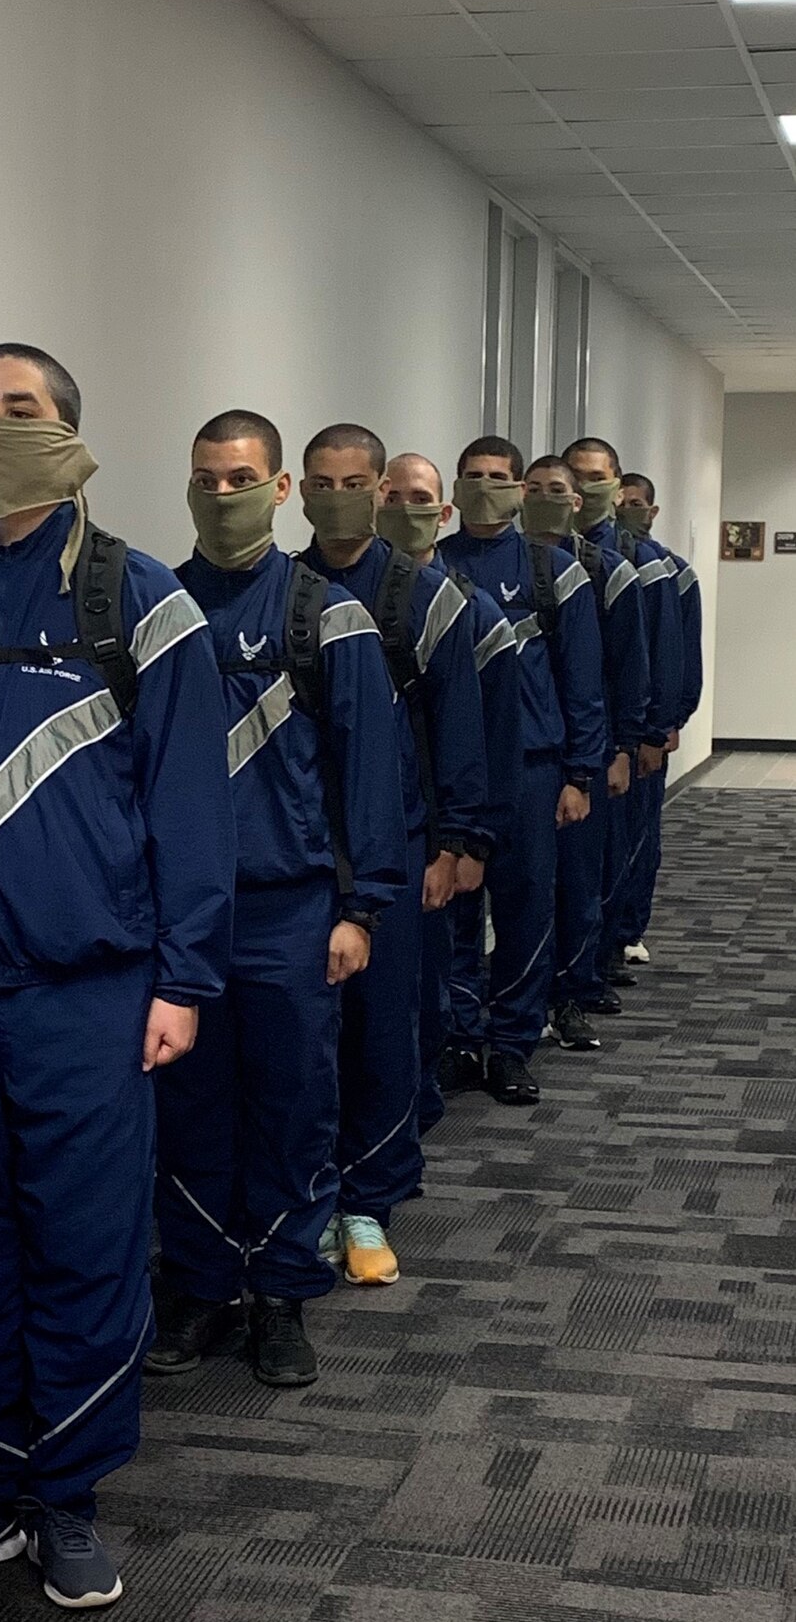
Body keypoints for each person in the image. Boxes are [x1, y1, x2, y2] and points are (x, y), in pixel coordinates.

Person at [0, 344, 234, 1611]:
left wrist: (183, 981)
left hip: (93, 992)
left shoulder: (139, 603)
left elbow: (192, 810)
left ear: (72, 433)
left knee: (87, 1248)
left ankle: (68, 1494)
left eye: (17, 410)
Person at [148, 411, 406, 1384]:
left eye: (242, 477)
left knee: (294, 1104)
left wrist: (361, 907)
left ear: (282, 487)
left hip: (292, 910)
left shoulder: (326, 615)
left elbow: (368, 778)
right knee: (193, 1105)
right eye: (207, 477)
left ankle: (286, 1290)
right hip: (187, 917)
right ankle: (204, 1285)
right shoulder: (160, 608)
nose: (223, 495)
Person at [299, 425, 487, 1281]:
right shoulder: (283, 591)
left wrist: (458, 844)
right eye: (320, 480)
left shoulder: (427, 596)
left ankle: (368, 1200)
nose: (337, 494)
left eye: (354, 481)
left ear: (379, 490)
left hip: (402, 843)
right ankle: (305, 1197)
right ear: (298, 491)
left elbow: (458, 728)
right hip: (298, 850)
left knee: (384, 1030)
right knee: (304, 1039)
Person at [441, 435, 607, 1105]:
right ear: (456, 487)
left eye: (498, 476)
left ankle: (511, 1044)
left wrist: (580, 774)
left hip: (535, 769)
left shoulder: (553, 573)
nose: (485, 485)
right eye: (473, 474)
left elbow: (584, 683)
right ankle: (458, 1041)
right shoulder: (430, 570)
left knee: (525, 910)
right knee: (452, 911)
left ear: (518, 489)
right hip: (454, 771)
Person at [381, 454, 521, 1136]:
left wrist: (470, 837)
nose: (404, 509)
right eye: (392, 495)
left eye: (419, 498)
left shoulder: (469, 605)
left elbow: (486, 732)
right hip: (366, 825)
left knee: (440, 963)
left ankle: (445, 1065)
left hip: (437, 820)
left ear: (442, 511)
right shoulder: (330, 596)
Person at [520, 456, 647, 1053]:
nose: (545, 498)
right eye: (535, 489)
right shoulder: (471, 563)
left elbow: (615, 671)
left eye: (559, 490)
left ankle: (572, 992)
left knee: (577, 882)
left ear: (579, 502)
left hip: (580, 755)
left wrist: (619, 749)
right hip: (512, 763)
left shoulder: (601, 570)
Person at [563, 438, 683, 1003]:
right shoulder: (542, 555)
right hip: (560, 742)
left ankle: (608, 946)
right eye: (575, 477)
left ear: (613, 485)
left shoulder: (644, 564)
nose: (585, 489)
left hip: (621, 737)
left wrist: (652, 731)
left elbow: (659, 654)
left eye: (596, 477)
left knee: (622, 848)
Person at [614, 471, 703, 968]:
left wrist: (669, 720)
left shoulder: (672, 571)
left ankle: (630, 928)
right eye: (618, 501)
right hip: (602, 735)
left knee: (640, 834)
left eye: (635, 503)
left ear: (651, 511)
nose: (626, 509)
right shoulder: (580, 566)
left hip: (647, 730)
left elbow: (679, 652)